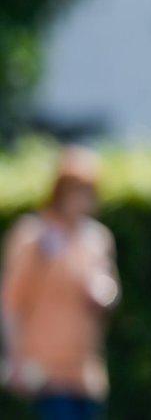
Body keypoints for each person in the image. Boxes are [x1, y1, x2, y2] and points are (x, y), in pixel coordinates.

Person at [0, 146, 120, 420]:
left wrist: (103, 292)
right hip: (45, 370)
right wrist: (14, 358)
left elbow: (110, 290)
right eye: (76, 190)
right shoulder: (34, 235)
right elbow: (11, 300)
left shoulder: (96, 239)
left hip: (86, 371)